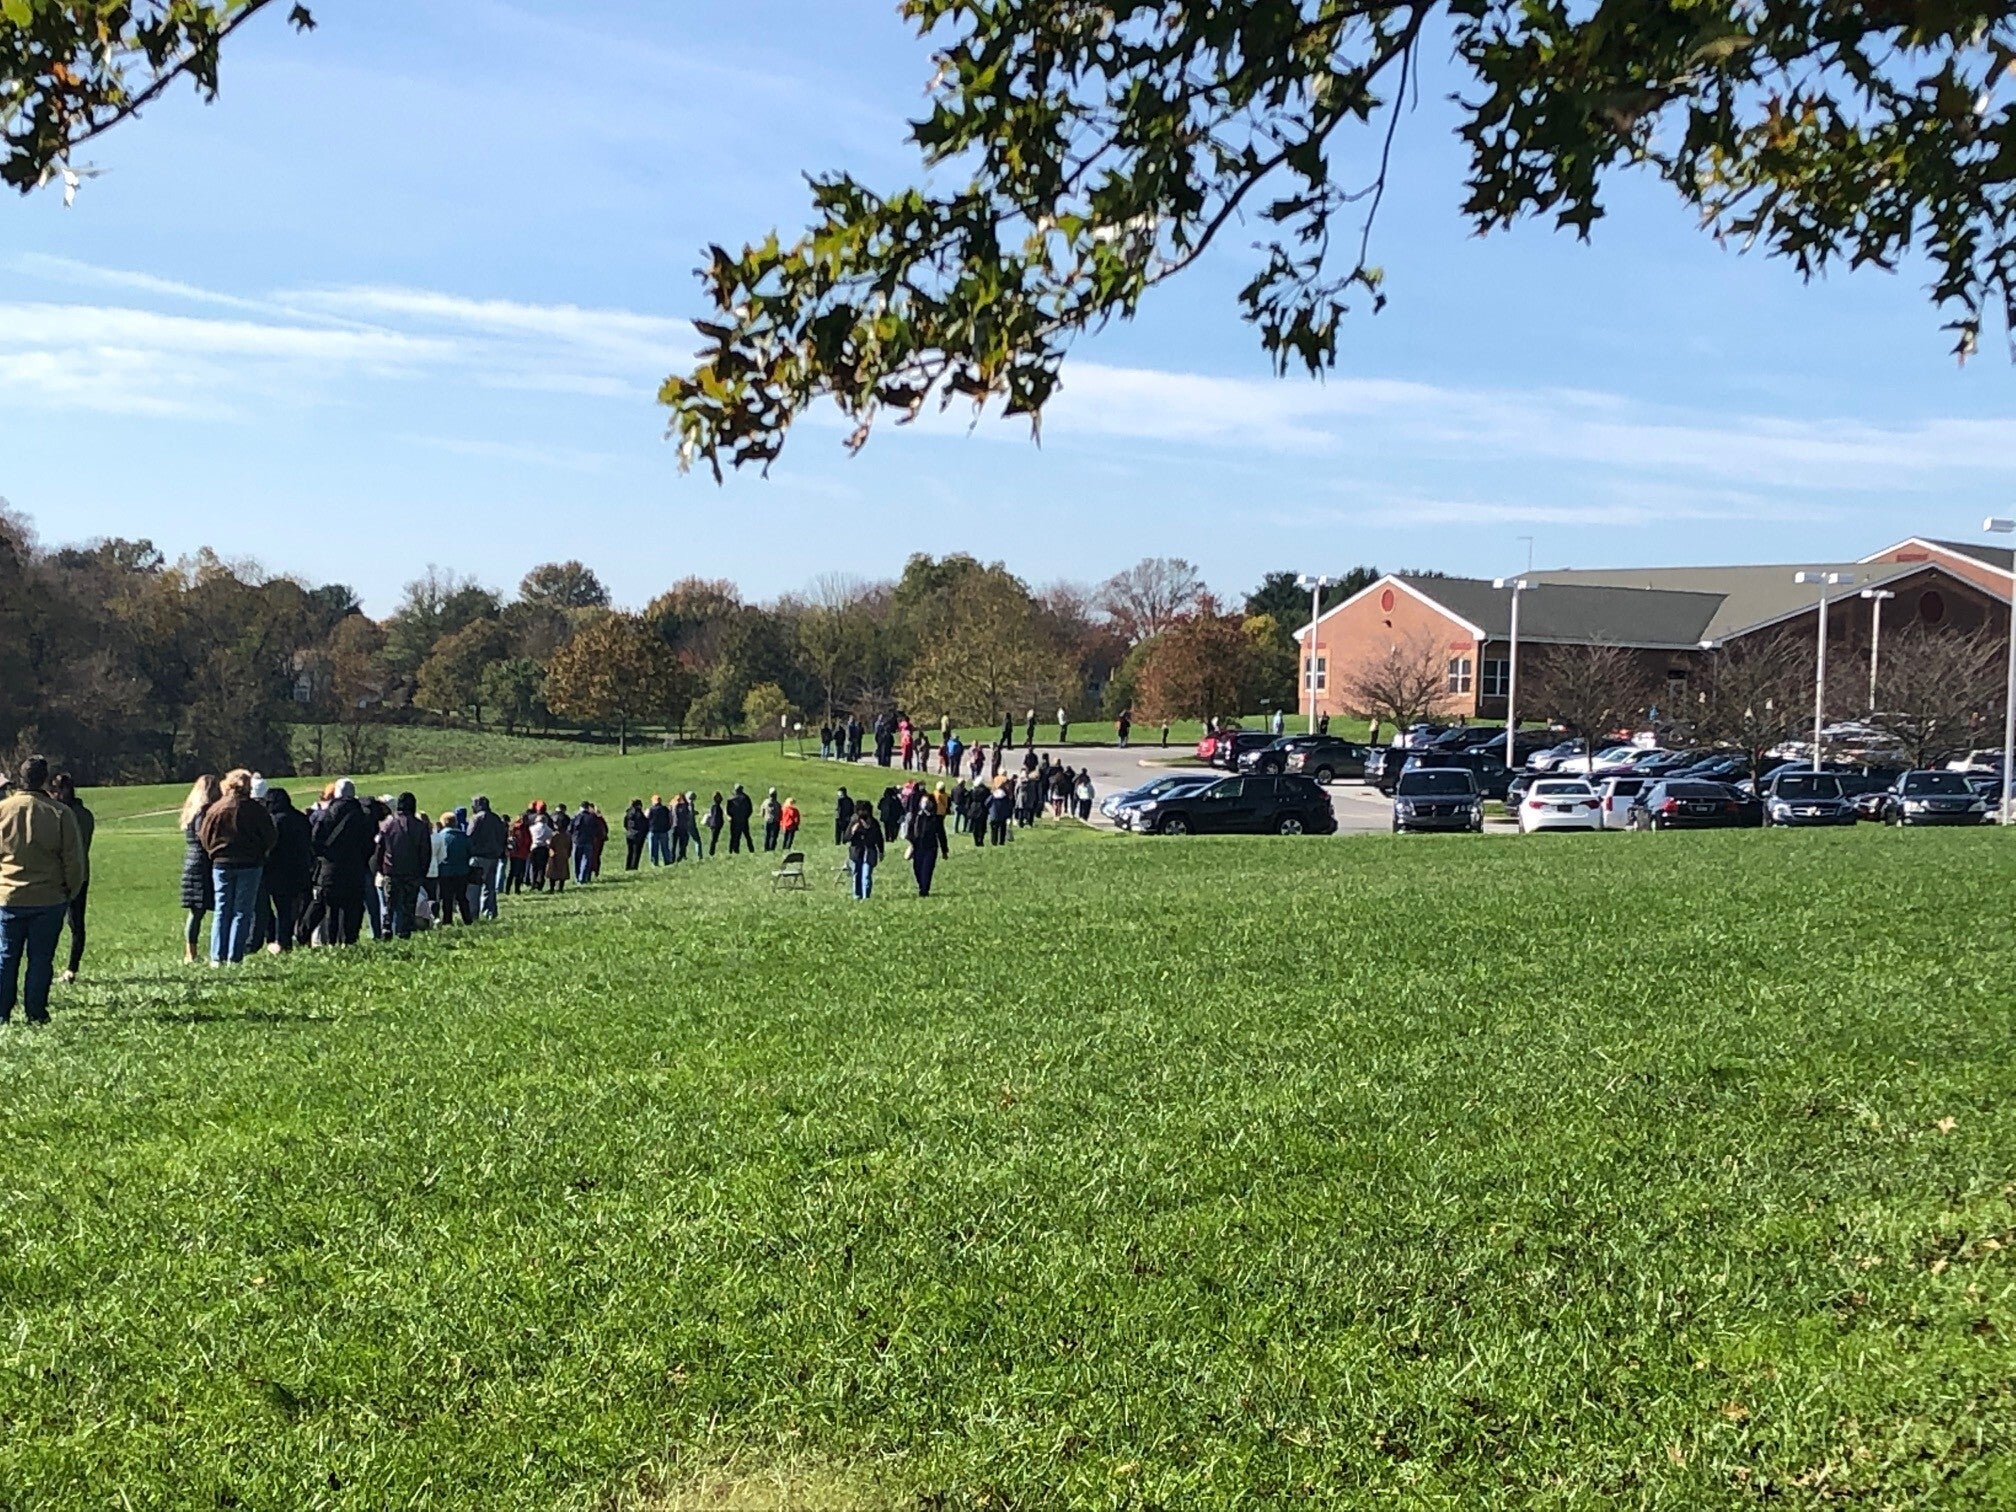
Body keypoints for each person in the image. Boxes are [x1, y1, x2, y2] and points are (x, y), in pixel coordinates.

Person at [0, 756, 87, 1024]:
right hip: (49, 898)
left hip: (9, 895)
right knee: (40, 959)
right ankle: (35, 1012)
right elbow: (74, 861)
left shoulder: (3, 809)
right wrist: (69, 892)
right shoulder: (60, 813)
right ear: (45, 780)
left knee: (5, 956)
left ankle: (1, 1011)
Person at [198, 768, 277, 965]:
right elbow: (270, 835)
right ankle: (235, 955)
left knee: (222, 909)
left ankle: (217, 956)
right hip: (250, 864)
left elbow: (204, 835)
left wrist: (213, 852)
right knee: (242, 911)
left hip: (221, 863)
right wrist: (262, 851)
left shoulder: (215, 808)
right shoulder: (256, 810)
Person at [301, 779, 375, 946]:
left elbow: (314, 839)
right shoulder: (363, 816)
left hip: (330, 868)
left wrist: (323, 857)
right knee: (352, 908)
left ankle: (331, 943)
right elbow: (369, 844)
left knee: (331, 908)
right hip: (355, 868)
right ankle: (349, 942)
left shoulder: (326, 814)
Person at [256, 784, 312, 954]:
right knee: (291, 909)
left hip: (275, 871)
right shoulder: (301, 818)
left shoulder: (273, 820)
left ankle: (278, 940)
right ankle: (289, 939)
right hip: (299, 869)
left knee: (276, 908)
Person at [48, 773, 93, 983]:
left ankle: (58, 967)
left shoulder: (62, 815)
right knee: (77, 923)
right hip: (82, 873)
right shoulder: (86, 813)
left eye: (54, 791)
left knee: (56, 923)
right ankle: (72, 968)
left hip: (61, 875)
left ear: (62, 791)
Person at [375, 792, 431, 938]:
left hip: (391, 871)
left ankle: (386, 930)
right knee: (409, 905)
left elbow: (379, 850)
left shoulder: (388, 826)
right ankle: (404, 932)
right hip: (413, 872)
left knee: (389, 905)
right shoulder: (421, 827)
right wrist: (422, 872)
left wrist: (380, 869)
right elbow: (425, 852)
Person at [178, 774, 221, 964]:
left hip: (192, 861)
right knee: (202, 910)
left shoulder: (191, 811)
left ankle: (191, 951)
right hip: (204, 862)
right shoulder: (205, 813)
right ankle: (193, 953)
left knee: (196, 911)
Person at [468, 796, 507, 918]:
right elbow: (503, 836)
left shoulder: (476, 819)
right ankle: (490, 912)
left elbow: (470, 836)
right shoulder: (496, 818)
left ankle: (473, 914)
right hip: (493, 857)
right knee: (490, 887)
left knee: (474, 887)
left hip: (478, 857)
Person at [432, 812, 473, 925]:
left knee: (447, 898)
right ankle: (467, 919)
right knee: (462, 897)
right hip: (462, 871)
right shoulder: (464, 837)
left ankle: (447, 920)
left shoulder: (441, 837)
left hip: (445, 872)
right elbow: (470, 851)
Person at [908, 792, 948, 897]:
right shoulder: (916, 817)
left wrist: (944, 850)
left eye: (927, 802)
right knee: (917, 869)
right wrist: (911, 842)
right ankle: (921, 885)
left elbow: (941, 834)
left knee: (927, 870)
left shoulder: (935, 818)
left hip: (931, 848)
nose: (925, 804)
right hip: (917, 847)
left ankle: (924, 890)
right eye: (923, 801)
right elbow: (910, 831)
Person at [844, 798, 883, 900]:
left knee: (866, 874)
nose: (862, 812)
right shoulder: (854, 822)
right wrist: (852, 831)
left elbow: (879, 838)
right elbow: (845, 838)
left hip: (870, 851)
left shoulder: (874, 823)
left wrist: (881, 851)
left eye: (864, 810)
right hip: (856, 852)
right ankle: (857, 895)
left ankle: (866, 896)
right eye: (860, 810)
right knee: (857, 873)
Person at [545, 809, 572, 893]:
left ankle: (552, 888)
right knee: (562, 872)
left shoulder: (554, 835)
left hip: (554, 855)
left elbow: (550, 844)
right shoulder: (567, 835)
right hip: (564, 855)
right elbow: (570, 846)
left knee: (553, 872)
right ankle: (561, 888)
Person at [527, 806, 554, 890]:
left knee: (534, 867)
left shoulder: (532, 828)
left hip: (534, 848)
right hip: (544, 848)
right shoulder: (548, 829)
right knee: (541, 868)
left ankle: (533, 883)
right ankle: (540, 884)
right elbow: (550, 839)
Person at [505, 813, 531, 894]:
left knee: (516, 872)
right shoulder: (517, 828)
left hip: (519, 853)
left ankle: (513, 889)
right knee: (515, 872)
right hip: (518, 853)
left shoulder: (522, 828)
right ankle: (512, 890)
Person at [646, 793, 673, 865]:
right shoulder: (665, 809)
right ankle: (667, 861)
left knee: (653, 848)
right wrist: (669, 826)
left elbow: (646, 818)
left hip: (653, 831)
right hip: (664, 831)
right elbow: (670, 818)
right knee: (665, 848)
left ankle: (654, 862)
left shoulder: (651, 809)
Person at [726, 784, 755, 854]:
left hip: (734, 820)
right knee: (747, 836)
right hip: (744, 820)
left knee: (734, 836)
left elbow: (728, 810)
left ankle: (733, 850)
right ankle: (751, 849)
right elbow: (750, 809)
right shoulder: (746, 798)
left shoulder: (731, 799)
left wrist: (731, 816)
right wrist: (746, 817)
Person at [622, 799, 648, 871]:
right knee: (636, 852)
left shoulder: (628, 813)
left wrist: (629, 830)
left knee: (630, 852)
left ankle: (628, 866)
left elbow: (625, 824)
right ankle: (634, 867)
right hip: (637, 835)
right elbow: (643, 824)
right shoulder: (639, 813)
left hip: (629, 834)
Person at [987, 779, 1014, 846]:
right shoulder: (1005, 797)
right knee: (1003, 829)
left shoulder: (992, 796)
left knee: (994, 829)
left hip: (994, 815)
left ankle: (994, 842)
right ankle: (1002, 842)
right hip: (1003, 815)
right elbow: (1009, 805)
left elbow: (986, 803)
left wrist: (990, 810)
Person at [703, 792, 725, 856]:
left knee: (714, 839)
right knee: (714, 839)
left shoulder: (713, 806)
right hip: (716, 825)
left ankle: (712, 851)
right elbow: (716, 816)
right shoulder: (717, 807)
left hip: (714, 824)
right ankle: (711, 852)